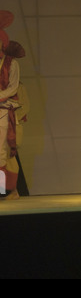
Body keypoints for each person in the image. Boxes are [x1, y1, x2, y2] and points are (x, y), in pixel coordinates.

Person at [0, 11, 26, 200]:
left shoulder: (12, 64)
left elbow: (12, 88)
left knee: (2, 152)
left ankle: (5, 190)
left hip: (3, 111)